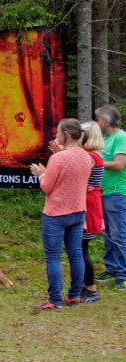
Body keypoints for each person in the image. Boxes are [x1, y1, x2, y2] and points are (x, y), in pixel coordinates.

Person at [29, 118, 91, 309]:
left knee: (53, 257)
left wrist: (41, 175)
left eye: (57, 133)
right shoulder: (86, 156)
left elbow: (47, 187)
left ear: (67, 134)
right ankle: (74, 296)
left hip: (56, 214)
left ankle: (54, 300)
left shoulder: (57, 158)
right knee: (76, 254)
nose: (55, 136)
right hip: (78, 211)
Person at [94, 105, 126, 291]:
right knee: (107, 234)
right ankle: (112, 268)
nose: (97, 123)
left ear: (106, 121)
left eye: (98, 120)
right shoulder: (105, 139)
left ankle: (123, 275)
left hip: (117, 192)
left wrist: (96, 162)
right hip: (103, 191)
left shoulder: (121, 137)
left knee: (118, 235)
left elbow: (119, 164)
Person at [79, 121, 105, 303]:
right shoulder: (94, 155)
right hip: (90, 203)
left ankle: (91, 289)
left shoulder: (88, 156)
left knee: (81, 249)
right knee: (80, 248)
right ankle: (83, 286)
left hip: (87, 205)